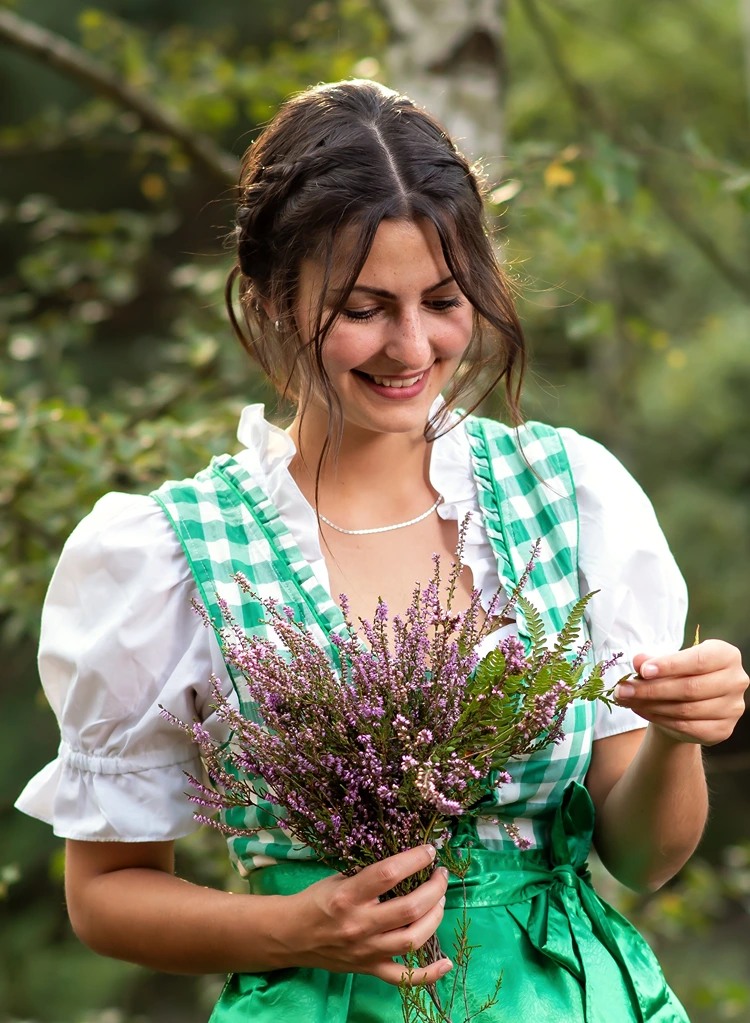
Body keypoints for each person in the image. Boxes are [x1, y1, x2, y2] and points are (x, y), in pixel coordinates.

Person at [16, 79, 748, 1022]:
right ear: (272, 299)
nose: (412, 346)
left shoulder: (570, 496)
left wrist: (678, 738)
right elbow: (105, 893)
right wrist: (298, 929)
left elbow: (645, 858)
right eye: (364, 308)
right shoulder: (170, 553)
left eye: (443, 301)